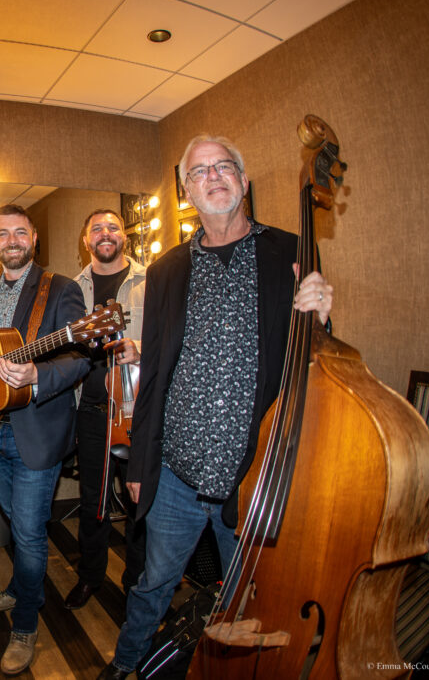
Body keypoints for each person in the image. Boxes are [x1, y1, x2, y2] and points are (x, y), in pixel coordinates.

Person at [99, 136, 333, 679]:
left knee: (251, 599)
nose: (214, 177)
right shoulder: (166, 270)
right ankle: (126, 663)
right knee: (153, 583)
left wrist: (322, 318)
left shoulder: (290, 251)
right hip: (176, 473)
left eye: (224, 166)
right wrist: (140, 465)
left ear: (243, 182)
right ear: (187, 192)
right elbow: (155, 375)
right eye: (200, 171)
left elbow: (312, 361)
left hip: (254, 476)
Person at [0, 203, 90, 674]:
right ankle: (19, 588)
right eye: (3, 234)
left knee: (30, 531)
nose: (11, 241)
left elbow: (80, 357)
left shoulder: (62, 288)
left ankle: (26, 624)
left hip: (38, 431)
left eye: (20, 232)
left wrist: (37, 375)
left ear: (33, 238)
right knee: (17, 521)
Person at [66, 209, 147, 610]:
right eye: (96, 228)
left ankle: (137, 584)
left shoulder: (150, 281)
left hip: (137, 413)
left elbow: (172, 338)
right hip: (91, 409)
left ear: (124, 236)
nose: (105, 233)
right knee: (92, 502)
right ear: (86, 240)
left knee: (138, 501)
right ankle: (90, 576)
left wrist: (140, 349)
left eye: (113, 227)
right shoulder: (72, 287)